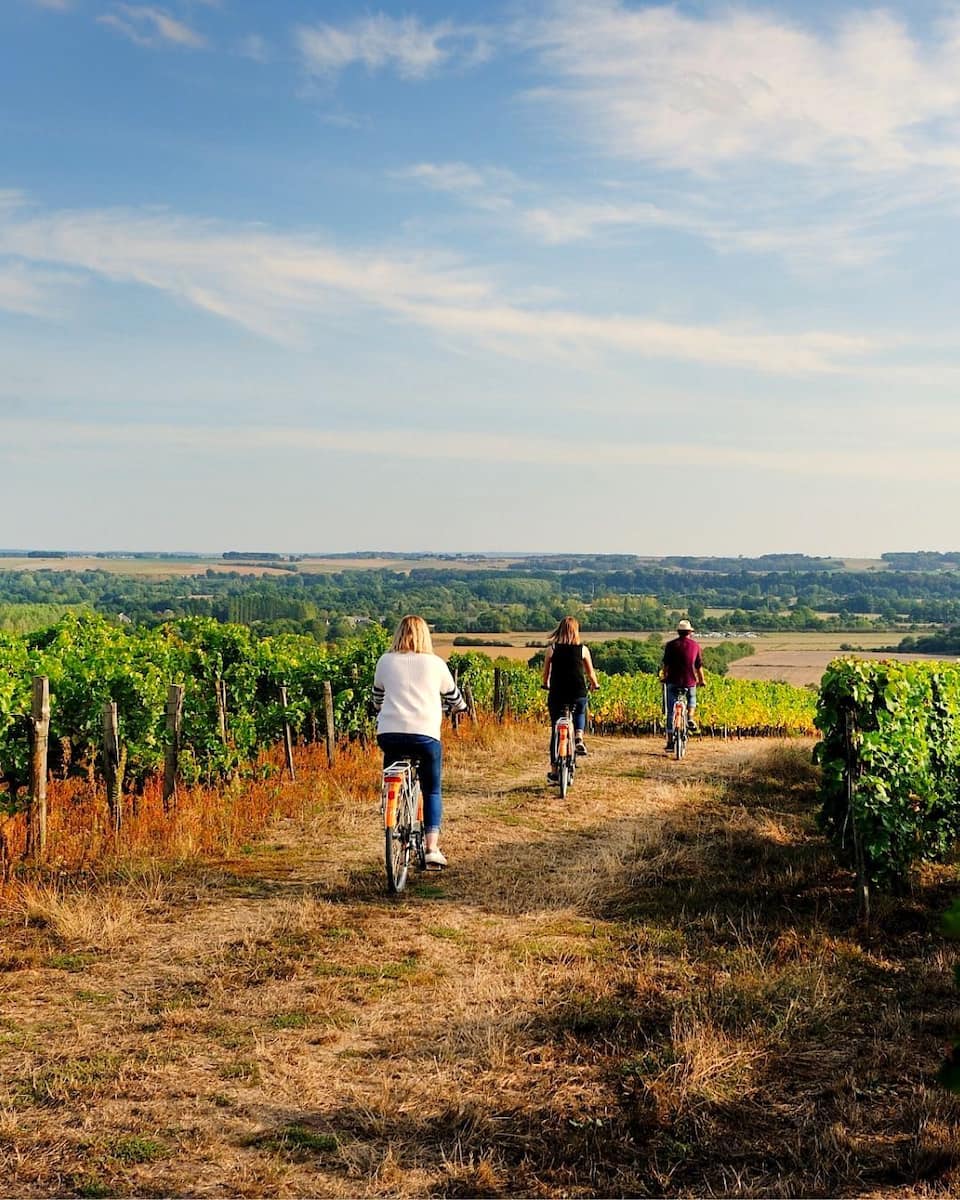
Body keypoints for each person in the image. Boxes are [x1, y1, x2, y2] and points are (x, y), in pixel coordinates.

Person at [372, 615, 467, 868]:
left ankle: (392, 809)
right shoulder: (435, 664)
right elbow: (456, 699)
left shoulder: (385, 661)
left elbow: (377, 698)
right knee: (431, 789)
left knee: (392, 769)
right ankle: (431, 848)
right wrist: (457, 708)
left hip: (389, 734)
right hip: (425, 736)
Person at [541, 616, 599, 783]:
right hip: (577, 692)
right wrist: (595, 684)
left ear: (560, 630)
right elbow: (590, 673)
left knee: (555, 730)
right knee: (580, 710)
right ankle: (579, 737)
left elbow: (546, 674)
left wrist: (545, 684)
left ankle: (554, 771)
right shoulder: (583, 650)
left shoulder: (552, 649)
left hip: (558, 693)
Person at [661, 618, 705, 751]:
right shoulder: (695, 646)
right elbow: (698, 666)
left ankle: (669, 741)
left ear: (679, 632)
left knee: (670, 711)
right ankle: (690, 717)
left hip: (672, 681)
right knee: (692, 698)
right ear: (689, 632)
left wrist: (664, 677)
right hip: (689, 680)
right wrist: (702, 680)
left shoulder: (670, 645)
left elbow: (666, 665)